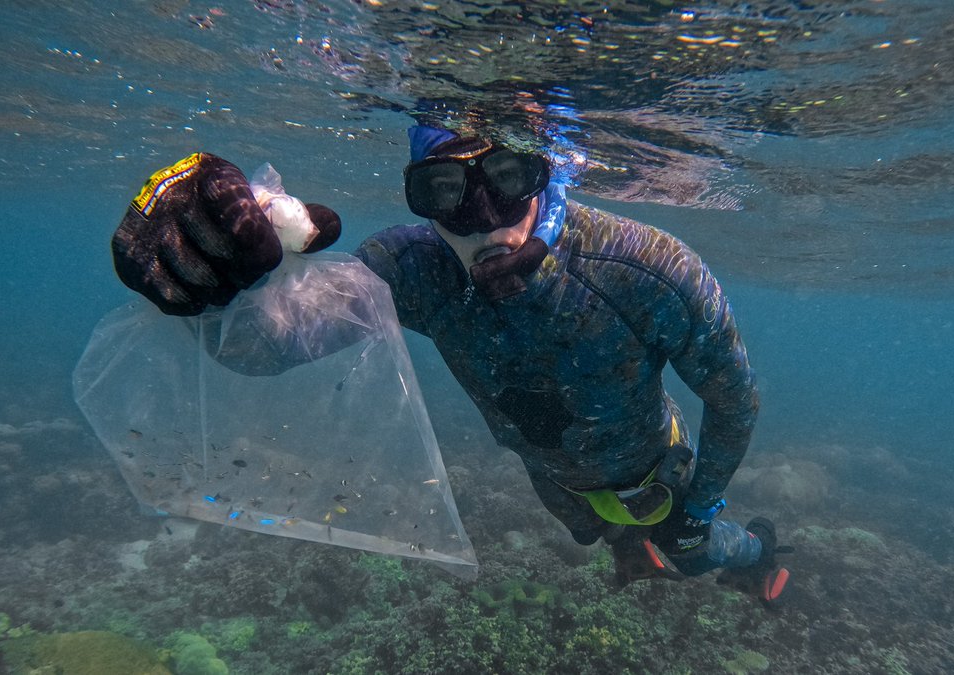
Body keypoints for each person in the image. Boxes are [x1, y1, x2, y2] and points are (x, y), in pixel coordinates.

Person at [111, 125, 790, 603]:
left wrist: (702, 505)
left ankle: (761, 551)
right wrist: (215, 280)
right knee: (590, 531)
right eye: (446, 191)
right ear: (423, 201)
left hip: (661, 473)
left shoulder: (644, 268)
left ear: (542, 171)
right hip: (558, 486)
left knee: (695, 554)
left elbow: (736, 397)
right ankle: (624, 545)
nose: (486, 220)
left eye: (508, 178)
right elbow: (265, 347)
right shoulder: (416, 271)